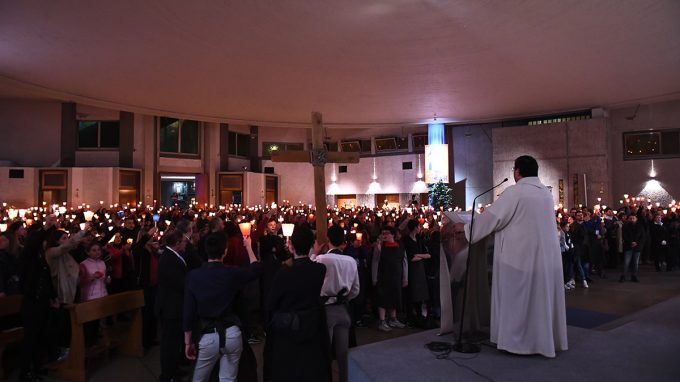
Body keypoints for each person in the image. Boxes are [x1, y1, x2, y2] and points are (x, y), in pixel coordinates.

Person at [454, 155, 567, 358]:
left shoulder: (515, 193)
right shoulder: (545, 194)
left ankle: (518, 343)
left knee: (518, 302)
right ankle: (540, 341)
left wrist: (465, 228)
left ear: (517, 172)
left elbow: (492, 218)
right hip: (543, 259)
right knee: (538, 302)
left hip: (518, 260)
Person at [183, 232, 262, 382]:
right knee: (228, 378)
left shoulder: (194, 276)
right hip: (232, 333)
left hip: (207, 335)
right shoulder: (230, 273)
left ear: (206, 251)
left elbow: (188, 312)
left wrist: (188, 341)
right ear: (225, 251)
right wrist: (249, 247)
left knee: (198, 379)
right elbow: (256, 269)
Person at [265, 225, 331, 382]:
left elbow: (271, 303)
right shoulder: (320, 269)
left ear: (291, 246)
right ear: (311, 245)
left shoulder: (284, 273)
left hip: (288, 329)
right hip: (312, 326)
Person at [313, 225, 359, 382]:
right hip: (343, 309)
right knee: (343, 354)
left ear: (328, 239)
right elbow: (356, 290)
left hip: (326, 310)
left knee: (324, 352)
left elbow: (310, 275)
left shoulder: (321, 259)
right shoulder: (351, 261)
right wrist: (344, 298)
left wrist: (316, 252)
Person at [156, 230, 190, 382]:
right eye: (183, 241)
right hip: (170, 306)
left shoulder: (173, 255)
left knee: (175, 341)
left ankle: (174, 369)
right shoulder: (168, 259)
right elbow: (178, 282)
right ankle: (166, 375)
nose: (185, 243)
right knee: (169, 343)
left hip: (175, 305)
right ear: (176, 244)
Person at [372, 226, 408, 332]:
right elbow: (375, 262)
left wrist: (405, 278)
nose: (385, 235)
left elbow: (404, 262)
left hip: (396, 276)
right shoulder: (380, 246)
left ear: (393, 234)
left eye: (387, 233)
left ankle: (393, 319)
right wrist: (374, 278)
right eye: (383, 233)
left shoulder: (400, 245)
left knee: (395, 297)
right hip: (383, 276)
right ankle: (382, 321)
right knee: (382, 298)